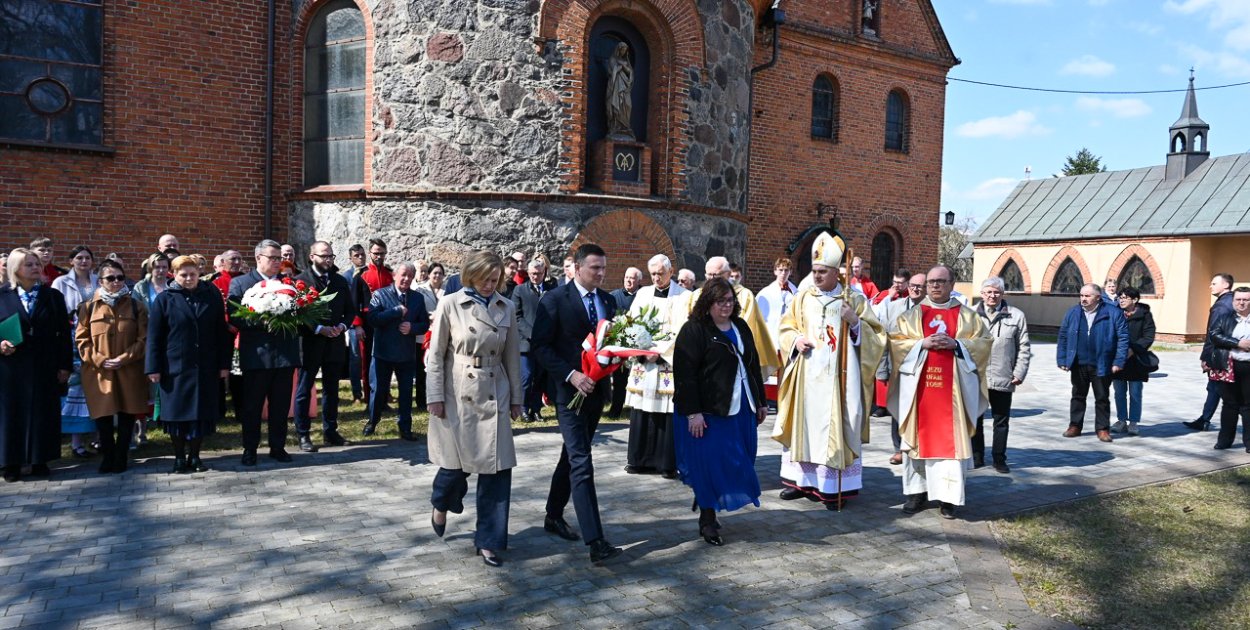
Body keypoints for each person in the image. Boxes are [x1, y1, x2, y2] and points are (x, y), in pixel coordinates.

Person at [772, 233, 886, 510]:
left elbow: (878, 337)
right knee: (806, 426)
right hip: (807, 375)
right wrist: (796, 340)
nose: (817, 276)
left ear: (837, 272)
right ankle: (801, 482)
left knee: (837, 426)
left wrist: (855, 322)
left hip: (841, 380)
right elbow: (786, 328)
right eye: (814, 271)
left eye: (822, 272)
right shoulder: (802, 298)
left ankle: (835, 487)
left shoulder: (854, 299)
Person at [426, 251, 522, 567]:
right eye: (484, 279)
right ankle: (441, 501)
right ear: (471, 275)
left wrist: (517, 399)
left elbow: (512, 357)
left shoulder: (506, 307)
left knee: (497, 470)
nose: (489, 285)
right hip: (458, 392)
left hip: (495, 389)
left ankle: (489, 542)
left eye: (495, 280)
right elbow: (437, 355)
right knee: (454, 467)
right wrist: (434, 396)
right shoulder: (450, 303)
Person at [531, 243, 623, 564]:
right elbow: (540, 347)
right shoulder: (555, 300)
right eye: (595, 268)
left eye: (603, 268)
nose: (601, 273)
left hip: (596, 391)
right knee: (582, 461)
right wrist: (571, 375)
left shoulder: (608, 301)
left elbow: (610, 344)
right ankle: (596, 540)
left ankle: (553, 515)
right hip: (568, 392)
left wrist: (614, 361)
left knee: (571, 456)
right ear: (579, 267)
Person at [887, 265, 991, 520]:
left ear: (952, 284)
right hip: (920, 394)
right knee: (916, 441)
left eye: (940, 281)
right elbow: (895, 342)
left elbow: (984, 343)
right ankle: (916, 493)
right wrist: (922, 343)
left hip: (952, 396)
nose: (934, 286)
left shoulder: (967, 316)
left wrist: (957, 344)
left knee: (950, 445)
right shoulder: (912, 316)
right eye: (931, 281)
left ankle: (948, 499)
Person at [672, 278, 767, 545]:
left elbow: (753, 364)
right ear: (708, 302)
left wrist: (760, 401)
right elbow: (685, 374)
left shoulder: (741, 326)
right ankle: (707, 518)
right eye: (720, 301)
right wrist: (693, 413)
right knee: (710, 466)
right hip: (709, 411)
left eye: (730, 300)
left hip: (741, 407)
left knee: (741, 459)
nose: (726, 306)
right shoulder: (694, 330)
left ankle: (707, 499)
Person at [147, 256, 232, 473]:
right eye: (183, 275)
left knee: (200, 414)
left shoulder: (210, 295)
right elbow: (154, 336)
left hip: (206, 366)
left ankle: (195, 456)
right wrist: (153, 367)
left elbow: (221, 333)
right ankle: (178, 458)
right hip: (174, 367)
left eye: (193, 274)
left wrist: (224, 364)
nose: (188, 278)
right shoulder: (165, 299)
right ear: (173, 275)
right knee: (177, 415)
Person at [229, 239, 303, 466]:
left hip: (284, 354)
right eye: (272, 258)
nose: (277, 262)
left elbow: (301, 315)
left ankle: (277, 447)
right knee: (252, 406)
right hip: (256, 355)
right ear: (258, 258)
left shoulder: (289, 284)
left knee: (280, 406)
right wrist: (263, 322)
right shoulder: (241, 284)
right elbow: (234, 315)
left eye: (279, 258)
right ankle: (250, 449)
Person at [0, 249, 72, 482]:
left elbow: (63, 334)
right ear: (15, 269)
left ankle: (40, 459)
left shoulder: (52, 297)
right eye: (28, 264)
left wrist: (64, 365)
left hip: (44, 364)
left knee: (43, 412)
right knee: (11, 414)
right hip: (11, 366)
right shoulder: (3, 296)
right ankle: (11, 462)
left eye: (36, 263)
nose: (34, 268)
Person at [75, 259, 147, 474]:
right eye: (110, 278)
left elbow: (143, 339)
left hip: (129, 369)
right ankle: (108, 455)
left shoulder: (136, 306)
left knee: (127, 414)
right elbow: (82, 340)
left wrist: (124, 358)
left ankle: (122, 455)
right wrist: (99, 359)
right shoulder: (88, 308)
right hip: (99, 372)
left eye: (120, 277)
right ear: (100, 281)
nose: (116, 282)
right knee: (103, 415)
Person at [624, 254, 687, 477]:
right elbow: (631, 322)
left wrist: (659, 352)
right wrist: (641, 349)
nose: (656, 278)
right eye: (652, 274)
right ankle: (638, 460)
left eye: (661, 273)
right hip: (644, 363)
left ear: (671, 271)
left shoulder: (684, 297)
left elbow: (683, 330)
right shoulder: (642, 293)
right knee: (641, 410)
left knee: (666, 412)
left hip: (667, 363)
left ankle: (666, 463)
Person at [672, 257, 780, 381]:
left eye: (716, 275)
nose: (711, 279)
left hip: (731, 359)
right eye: (709, 275)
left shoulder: (744, 296)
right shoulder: (696, 295)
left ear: (728, 274)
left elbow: (746, 330)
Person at [295, 242, 356, 450]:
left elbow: (350, 310)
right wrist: (318, 328)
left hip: (334, 342)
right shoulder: (300, 281)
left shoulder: (339, 281)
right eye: (324, 256)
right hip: (311, 342)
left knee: (332, 389)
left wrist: (341, 326)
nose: (329, 259)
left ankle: (330, 431)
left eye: (331, 255)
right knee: (304, 389)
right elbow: (297, 314)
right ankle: (303, 434)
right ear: (312, 257)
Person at [1056, 283, 1129, 443]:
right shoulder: (1073, 313)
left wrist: (1118, 361)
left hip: (1102, 363)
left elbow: (1123, 338)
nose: (1083, 299)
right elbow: (1063, 336)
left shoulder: (1113, 313)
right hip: (1078, 363)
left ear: (1098, 297)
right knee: (1077, 395)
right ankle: (1075, 426)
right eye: (1081, 295)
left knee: (1102, 397)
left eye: (1087, 296)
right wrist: (1062, 359)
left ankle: (1102, 429)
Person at [365, 262, 430, 439]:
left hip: (406, 354)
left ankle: (405, 427)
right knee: (378, 390)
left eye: (411, 275)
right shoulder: (380, 294)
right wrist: (394, 311)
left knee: (406, 392)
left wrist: (413, 327)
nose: (407, 279)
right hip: (382, 353)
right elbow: (372, 319)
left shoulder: (417, 298)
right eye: (404, 275)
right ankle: (372, 420)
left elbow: (424, 324)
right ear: (394, 275)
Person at [973, 277, 1031, 473]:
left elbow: (1024, 347)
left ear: (1002, 294)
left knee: (1001, 420)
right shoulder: (970, 315)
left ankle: (999, 459)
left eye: (996, 292)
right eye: (988, 292)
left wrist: (1020, 372)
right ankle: (976, 457)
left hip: (1003, 375)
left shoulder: (1016, 316)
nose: (992, 295)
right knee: (975, 420)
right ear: (982, 294)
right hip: (976, 378)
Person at [874, 270, 924, 465]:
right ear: (907, 287)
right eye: (913, 285)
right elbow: (884, 340)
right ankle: (899, 448)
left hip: (923, 370)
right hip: (898, 369)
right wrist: (882, 369)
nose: (915, 289)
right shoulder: (893, 308)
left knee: (921, 411)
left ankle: (918, 446)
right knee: (898, 410)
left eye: (920, 286)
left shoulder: (933, 310)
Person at [1187, 273, 1235, 431]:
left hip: (1221, 354)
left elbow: (1212, 334)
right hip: (1233, 351)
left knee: (1221, 389)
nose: (1210, 286)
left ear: (1226, 285)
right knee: (1215, 386)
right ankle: (1204, 419)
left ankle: (1205, 420)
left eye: (1214, 283)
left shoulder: (1221, 306)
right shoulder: (1235, 301)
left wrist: (1206, 357)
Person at [511, 259, 556, 423]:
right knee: (526, 377)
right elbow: (517, 317)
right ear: (528, 273)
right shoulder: (519, 290)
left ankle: (536, 410)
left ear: (544, 273)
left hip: (545, 343)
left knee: (540, 378)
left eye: (538, 273)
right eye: (532, 274)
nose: (535, 277)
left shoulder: (551, 290)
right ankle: (523, 408)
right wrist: (533, 333)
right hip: (526, 343)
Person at [1108, 287, 1155, 437]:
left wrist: (1133, 350)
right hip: (1118, 359)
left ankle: (1133, 422)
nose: (1121, 300)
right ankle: (1121, 420)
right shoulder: (1115, 313)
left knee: (1135, 393)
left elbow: (1148, 336)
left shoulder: (1144, 315)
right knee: (1119, 392)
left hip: (1136, 360)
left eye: (1125, 297)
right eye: (1120, 297)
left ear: (1134, 300)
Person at [1208, 286, 1250, 451]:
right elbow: (1214, 335)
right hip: (1229, 365)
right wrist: (1237, 343)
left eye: (1245, 300)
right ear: (1233, 302)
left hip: (1249, 367)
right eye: (1238, 300)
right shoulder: (1224, 317)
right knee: (1229, 404)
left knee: (1248, 406)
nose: (1241, 303)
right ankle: (1224, 441)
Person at [352, 238, 393, 407]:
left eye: (382, 253)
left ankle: (383, 399)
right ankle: (371, 401)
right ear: (370, 253)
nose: (379, 256)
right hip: (368, 325)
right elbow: (354, 303)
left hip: (387, 324)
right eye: (376, 253)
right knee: (368, 362)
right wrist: (358, 325)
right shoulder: (361, 275)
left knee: (386, 360)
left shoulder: (390, 274)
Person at [607, 267, 644, 417]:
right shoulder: (614, 296)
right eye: (626, 277)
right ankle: (616, 409)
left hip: (640, 343)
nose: (629, 280)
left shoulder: (645, 295)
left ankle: (637, 409)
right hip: (620, 344)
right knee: (619, 379)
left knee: (638, 377)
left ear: (639, 280)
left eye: (632, 278)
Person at [755, 257, 797, 347]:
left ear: (790, 272)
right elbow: (758, 317)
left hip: (789, 336)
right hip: (771, 335)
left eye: (786, 270)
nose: (783, 273)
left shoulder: (796, 293)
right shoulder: (765, 293)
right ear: (775, 271)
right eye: (780, 270)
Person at [343, 244, 367, 404]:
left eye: (362, 255)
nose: (360, 257)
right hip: (354, 323)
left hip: (370, 320)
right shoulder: (347, 276)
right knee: (355, 357)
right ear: (351, 258)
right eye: (356, 255)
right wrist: (355, 323)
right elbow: (348, 302)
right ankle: (357, 393)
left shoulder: (369, 272)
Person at [51, 246, 100, 316]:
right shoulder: (60, 282)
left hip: (96, 323)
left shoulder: (99, 280)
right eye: (79, 258)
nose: (84, 261)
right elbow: (53, 306)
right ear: (71, 261)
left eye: (87, 258)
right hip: (70, 324)